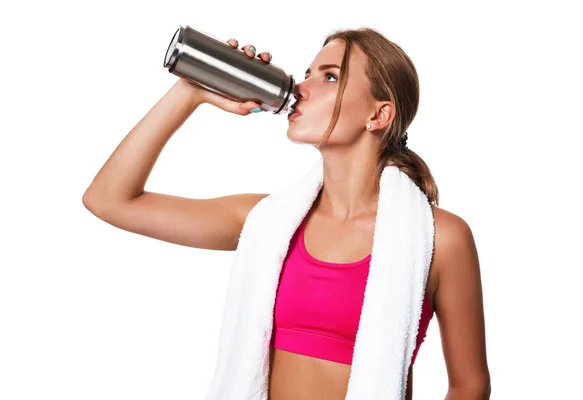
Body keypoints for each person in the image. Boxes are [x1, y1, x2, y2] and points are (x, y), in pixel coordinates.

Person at [83, 27, 491, 400]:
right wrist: (191, 91)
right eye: (308, 72)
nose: (301, 86)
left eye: (329, 76)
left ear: (378, 115)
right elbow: (109, 200)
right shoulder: (264, 221)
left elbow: (468, 385)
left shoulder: (439, 238)